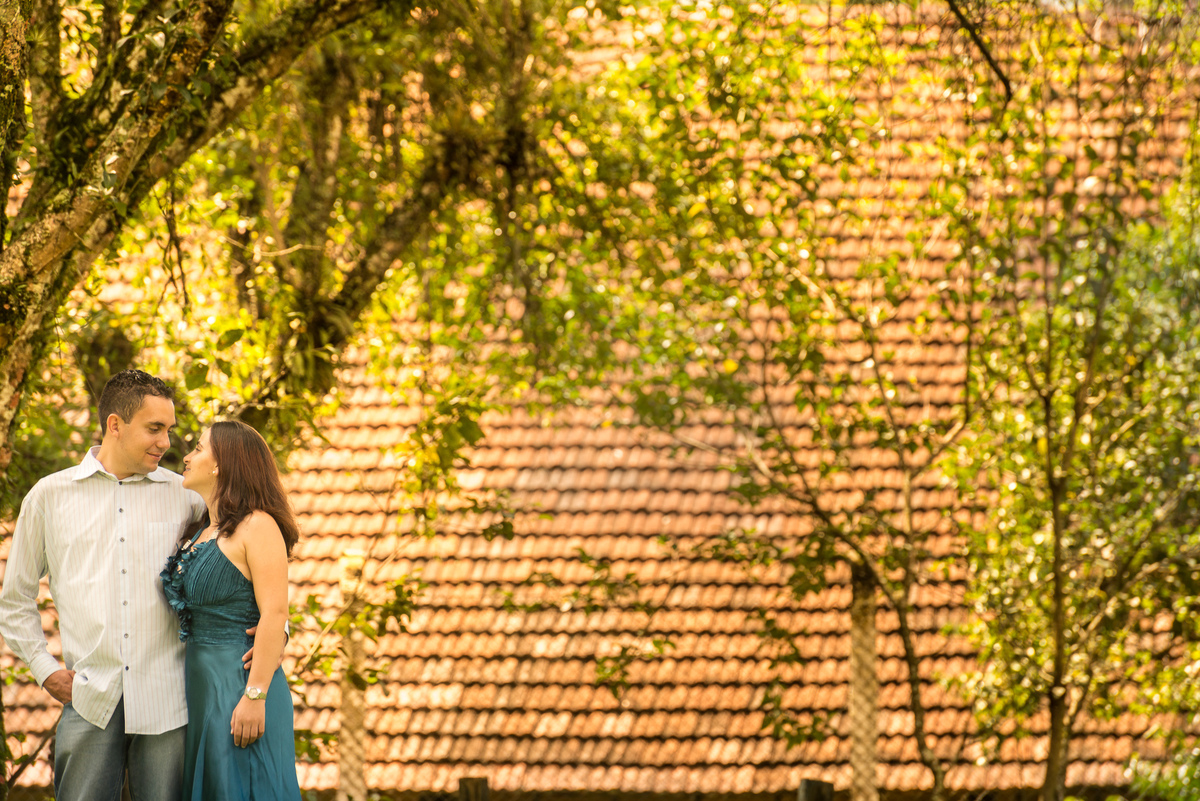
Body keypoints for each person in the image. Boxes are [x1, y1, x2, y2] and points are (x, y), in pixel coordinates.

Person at [0, 369, 206, 801]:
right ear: (115, 424)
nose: (166, 442)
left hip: (169, 702)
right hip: (89, 699)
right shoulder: (48, 497)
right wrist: (46, 671)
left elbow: (238, 566)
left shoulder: (188, 496)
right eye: (154, 428)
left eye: (169, 429)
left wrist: (271, 630)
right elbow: (14, 600)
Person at [161, 420, 301, 801]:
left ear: (223, 463)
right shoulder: (200, 530)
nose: (187, 457)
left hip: (240, 684)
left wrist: (255, 696)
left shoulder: (258, 526)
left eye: (200, 449)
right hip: (198, 685)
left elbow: (274, 614)